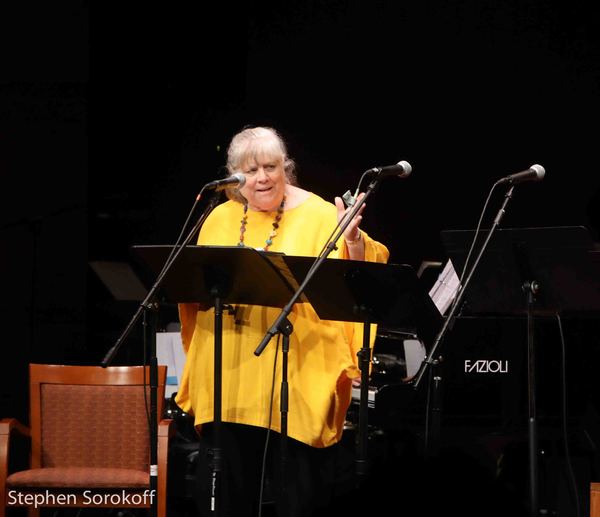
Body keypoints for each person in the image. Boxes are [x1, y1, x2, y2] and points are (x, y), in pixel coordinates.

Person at [175, 126, 389, 516]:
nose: (262, 178)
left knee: (300, 495)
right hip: (231, 377)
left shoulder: (323, 214)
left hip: (299, 373)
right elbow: (196, 290)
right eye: (250, 170)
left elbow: (362, 279)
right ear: (234, 176)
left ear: (285, 168)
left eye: (271, 167)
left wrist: (354, 240)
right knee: (228, 494)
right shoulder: (219, 217)